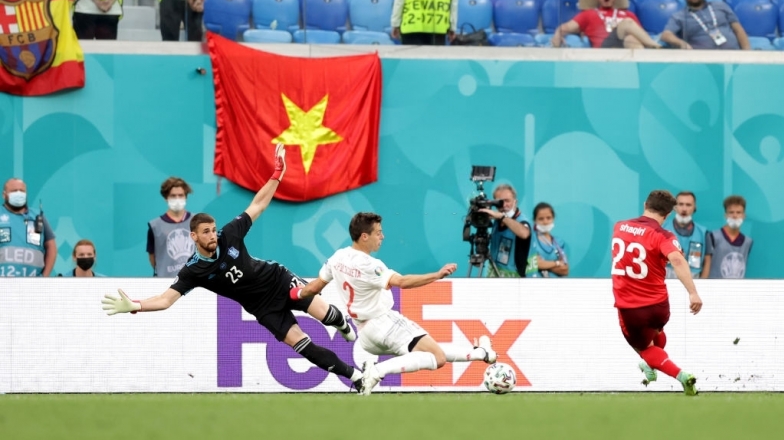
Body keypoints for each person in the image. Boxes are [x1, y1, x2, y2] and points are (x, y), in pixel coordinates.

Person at [102, 144, 367, 393]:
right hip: (263, 308)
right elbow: (165, 300)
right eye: (206, 232)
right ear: (194, 237)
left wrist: (277, 174)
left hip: (278, 281)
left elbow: (258, 204)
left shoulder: (229, 234)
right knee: (303, 346)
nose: (213, 235)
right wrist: (135, 305)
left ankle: (342, 323)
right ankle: (357, 378)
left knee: (326, 314)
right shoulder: (194, 271)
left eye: (212, 230)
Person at [291, 212, 497, 395]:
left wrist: (294, 293)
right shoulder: (371, 265)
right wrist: (437, 275)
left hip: (366, 336)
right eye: (378, 233)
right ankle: (376, 371)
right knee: (437, 357)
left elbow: (314, 288)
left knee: (431, 351)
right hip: (384, 323)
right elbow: (402, 282)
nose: (382, 237)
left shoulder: (337, 257)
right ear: (364, 236)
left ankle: (481, 354)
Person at [611, 189, 702, 395]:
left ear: (645, 205)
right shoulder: (664, 235)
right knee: (656, 333)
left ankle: (681, 376)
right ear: (668, 215)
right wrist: (692, 293)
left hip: (630, 306)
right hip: (660, 306)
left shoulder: (620, 227)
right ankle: (650, 367)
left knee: (644, 349)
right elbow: (677, 260)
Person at [552, 0, 661, 49]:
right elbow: (566, 27)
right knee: (627, 23)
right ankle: (655, 48)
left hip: (624, 50)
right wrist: (558, 33)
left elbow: (639, 35)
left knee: (631, 39)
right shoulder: (588, 14)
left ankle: (643, 73)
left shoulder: (628, 14)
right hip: (603, 50)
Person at [660, 0, 750, 50]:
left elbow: (738, 30)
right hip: (705, 62)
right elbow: (666, 35)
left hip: (733, 56)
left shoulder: (721, 5)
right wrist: (681, 43)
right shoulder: (679, 16)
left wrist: (747, 54)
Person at [0, 178, 57, 277]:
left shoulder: (38, 216)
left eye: (22, 191)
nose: (18, 193)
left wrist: (44, 276)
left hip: (33, 284)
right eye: (14, 191)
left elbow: (51, 247)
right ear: (4, 195)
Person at [478, 183, 531, 277]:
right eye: (500, 202)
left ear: (515, 202)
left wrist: (502, 217)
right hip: (493, 274)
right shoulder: (497, 220)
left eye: (507, 201)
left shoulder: (522, 220)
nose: (504, 205)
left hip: (513, 278)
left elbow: (524, 233)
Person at [147, 176, 195, 278]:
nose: (177, 199)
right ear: (166, 198)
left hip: (193, 282)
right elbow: (152, 259)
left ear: (186, 197)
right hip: (164, 283)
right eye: (173, 196)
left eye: (181, 195)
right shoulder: (155, 226)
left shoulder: (197, 221)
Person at [702, 195, 752, 279]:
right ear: (725, 215)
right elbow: (707, 265)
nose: (735, 216)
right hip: (715, 288)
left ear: (744, 216)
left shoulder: (748, 242)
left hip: (737, 289)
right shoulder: (713, 237)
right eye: (731, 212)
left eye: (738, 212)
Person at [662, 191, 707, 279]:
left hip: (694, 282)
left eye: (688, 205)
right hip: (666, 281)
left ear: (694, 207)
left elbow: (707, 262)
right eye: (681, 204)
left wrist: (703, 285)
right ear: (674, 207)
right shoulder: (662, 229)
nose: (684, 209)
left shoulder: (703, 233)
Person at [528, 202, 569, 278]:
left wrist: (544, 264)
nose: (545, 222)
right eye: (541, 219)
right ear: (534, 220)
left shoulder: (559, 242)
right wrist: (557, 262)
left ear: (553, 218)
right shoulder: (530, 240)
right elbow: (536, 264)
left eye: (548, 218)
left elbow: (565, 270)